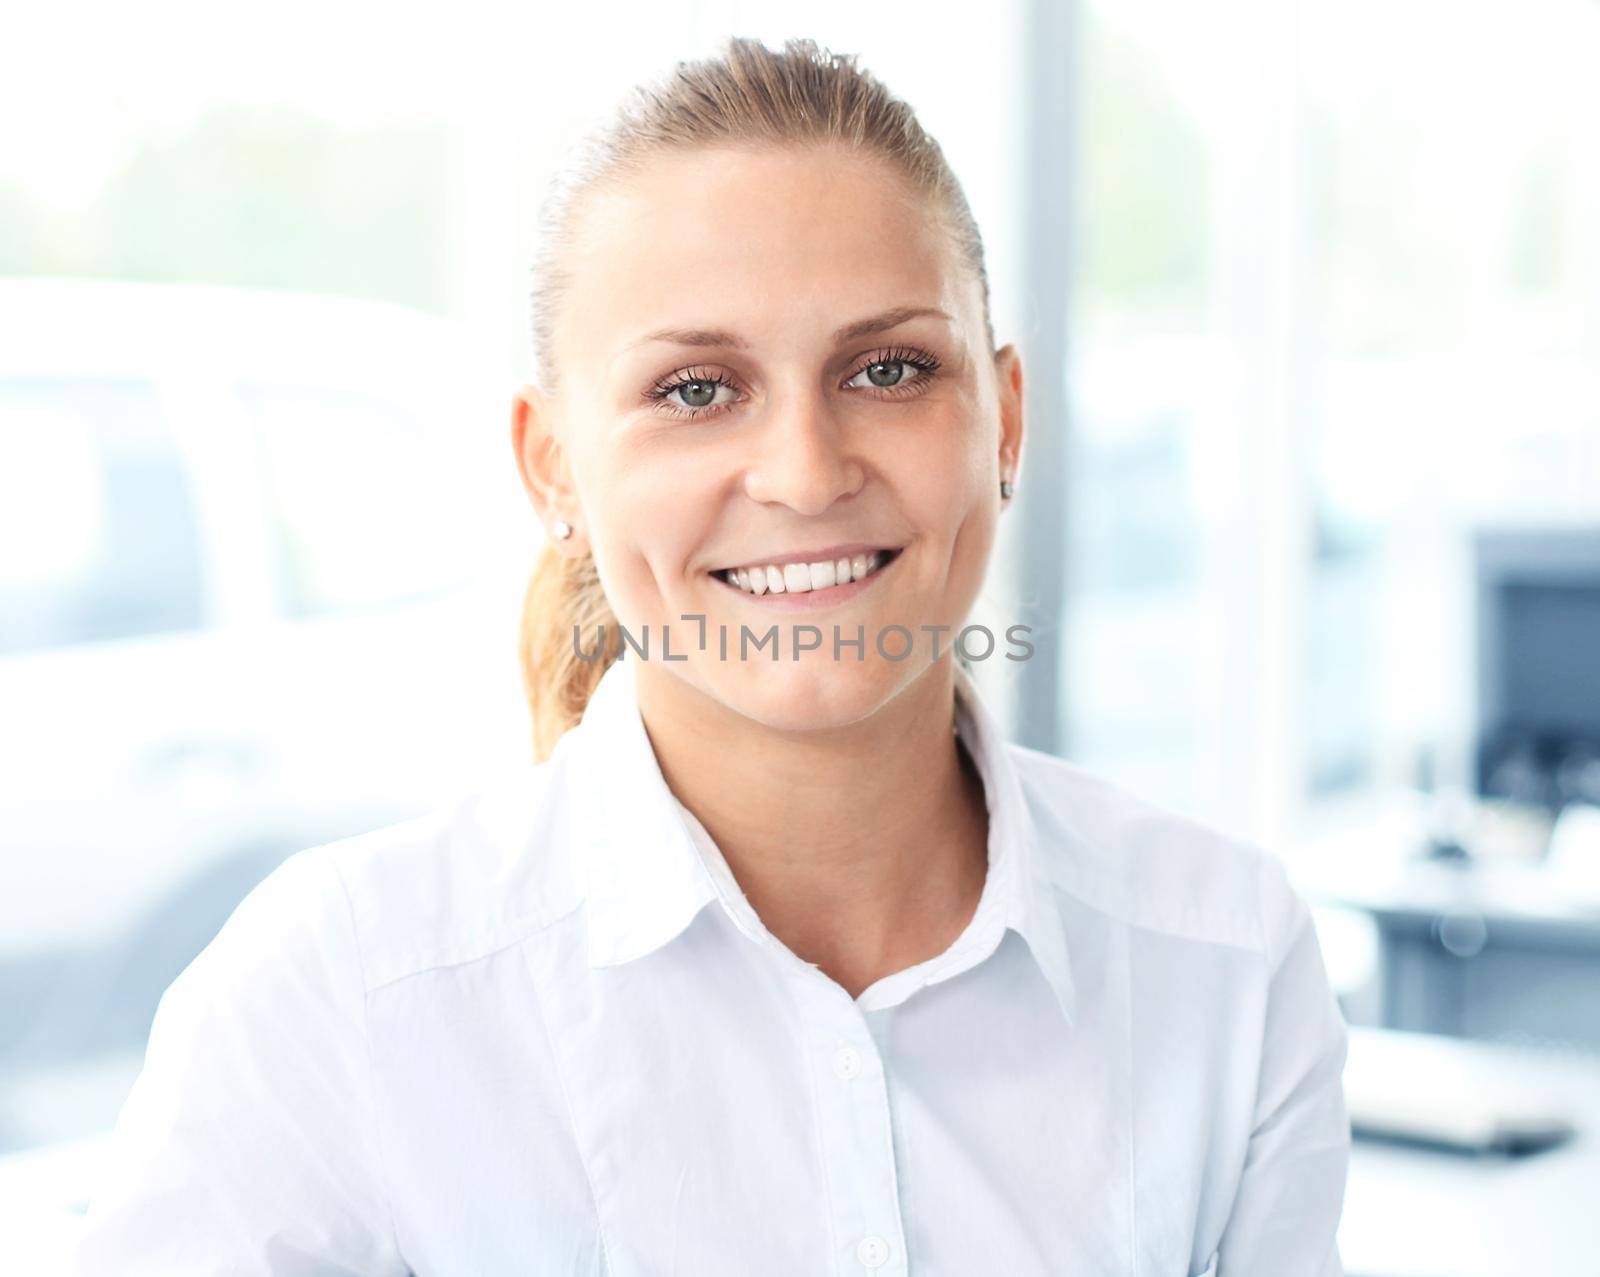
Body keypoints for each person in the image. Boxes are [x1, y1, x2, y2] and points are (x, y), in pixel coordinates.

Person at [72, 34, 1350, 1277]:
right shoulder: (337, 995)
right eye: (696, 389)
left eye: (889, 368)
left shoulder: (1223, 958)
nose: (803, 473)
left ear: (1003, 419)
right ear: (552, 465)